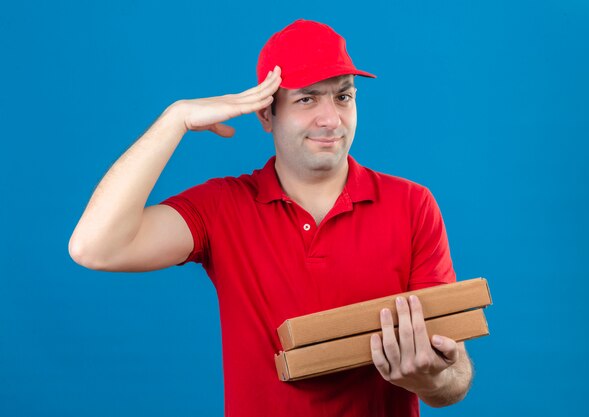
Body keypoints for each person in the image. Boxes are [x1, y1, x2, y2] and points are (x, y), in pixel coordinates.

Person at [69, 19, 473, 417]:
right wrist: (174, 120)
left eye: (343, 97)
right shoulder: (223, 207)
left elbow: (454, 379)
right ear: (266, 115)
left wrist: (428, 380)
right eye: (307, 99)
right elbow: (95, 247)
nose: (331, 119)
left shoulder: (412, 204)